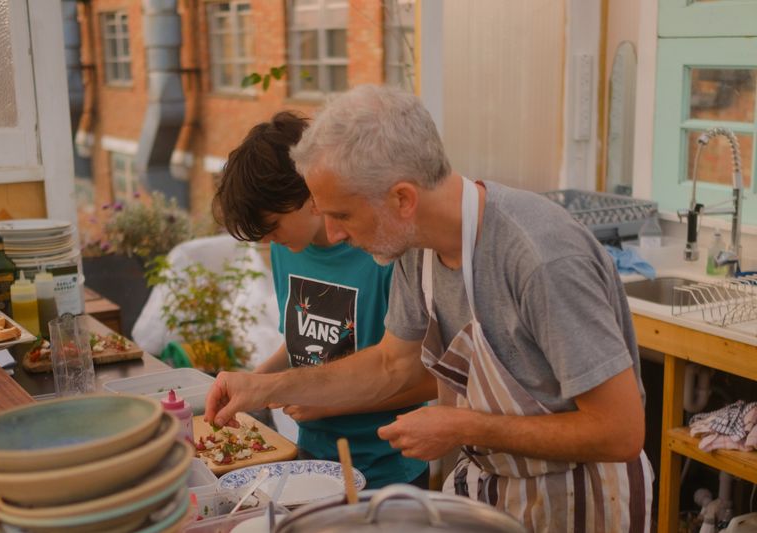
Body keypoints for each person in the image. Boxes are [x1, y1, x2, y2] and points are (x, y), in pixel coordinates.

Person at [206, 86, 653, 531]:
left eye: (342, 215)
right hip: (496, 489)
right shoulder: (414, 250)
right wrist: (264, 388)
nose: (335, 235)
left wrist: (462, 426)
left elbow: (620, 431)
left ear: (402, 198)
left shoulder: (540, 259)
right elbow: (388, 365)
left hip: (582, 501)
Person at [212, 111, 435, 489]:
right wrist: (253, 382)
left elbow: (428, 377)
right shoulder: (289, 247)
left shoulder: (382, 253)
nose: (269, 241)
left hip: (387, 470)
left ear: (310, 194)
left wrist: (332, 402)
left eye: (272, 226)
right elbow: (301, 344)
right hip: (312, 458)